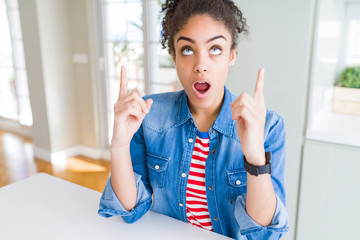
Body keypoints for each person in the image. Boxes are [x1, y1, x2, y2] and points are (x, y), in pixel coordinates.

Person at [98, 0, 289, 239]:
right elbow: (130, 211)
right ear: (174, 57)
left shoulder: (268, 126)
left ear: (232, 55)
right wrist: (119, 144)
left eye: (215, 49)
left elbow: (265, 235)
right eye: (187, 50)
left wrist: (254, 156)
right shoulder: (148, 116)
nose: (201, 66)